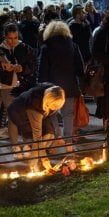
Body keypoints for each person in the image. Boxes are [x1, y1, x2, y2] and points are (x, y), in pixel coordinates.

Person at [37, 20, 84, 151]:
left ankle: (58, 137)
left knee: (52, 113)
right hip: (69, 86)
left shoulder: (46, 47)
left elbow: (42, 69)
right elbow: (80, 68)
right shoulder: (73, 45)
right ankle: (69, 142)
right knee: (68, 114)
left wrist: (40, 86)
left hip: (51, 87)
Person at [7, 82, 65, 171]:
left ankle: (32, 150)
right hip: (18, 111)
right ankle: (32, 163)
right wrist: (44, 158)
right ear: (47, 100)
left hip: (41, 111)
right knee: (33, 136)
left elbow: (52, 118)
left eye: (58, 105)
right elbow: (37, 135)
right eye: (54, 105)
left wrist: (58, 135)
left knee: (49, 134)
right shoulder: (35, 104)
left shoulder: (55, 93)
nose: (56, 107)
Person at [0, 23, 37, 142]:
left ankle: (27, 143)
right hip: (6, 87)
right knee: (13, 116)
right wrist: (4, 68)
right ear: (5, 36)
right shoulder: (1, 49)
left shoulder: (24, 48)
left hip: (23, 86)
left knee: (25, 116)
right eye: (9, 38)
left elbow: (33, 65)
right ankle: (15, 146)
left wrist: (23, 69)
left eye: (15, 37)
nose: (12, 41)